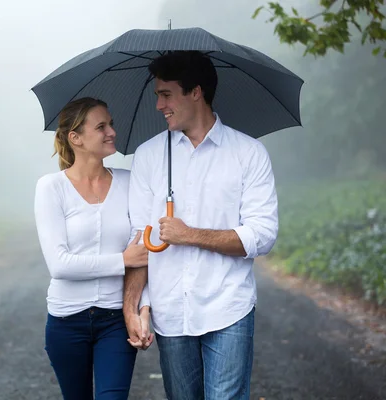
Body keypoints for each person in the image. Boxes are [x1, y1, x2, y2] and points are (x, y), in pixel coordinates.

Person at [123, 51, 279, 399]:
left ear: (196, 92)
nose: (159, 105)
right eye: (157, 95)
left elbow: (263, 235)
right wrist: (137, 305)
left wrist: (189, 235)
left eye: (166, 94)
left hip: (229, 307)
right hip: (170, 310)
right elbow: (140, 239)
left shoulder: (248, 153)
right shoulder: (149, 155)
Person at [33, 97, 151, 400]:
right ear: (76, 138)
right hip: (66, 322)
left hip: (114, 321)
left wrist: (141, 308)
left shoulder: (128, 182)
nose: (111, 131)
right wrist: (121, 261)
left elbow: (143, 256)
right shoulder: (51, 187)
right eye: (101, 126)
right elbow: (59, 265)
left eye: (110, 123)